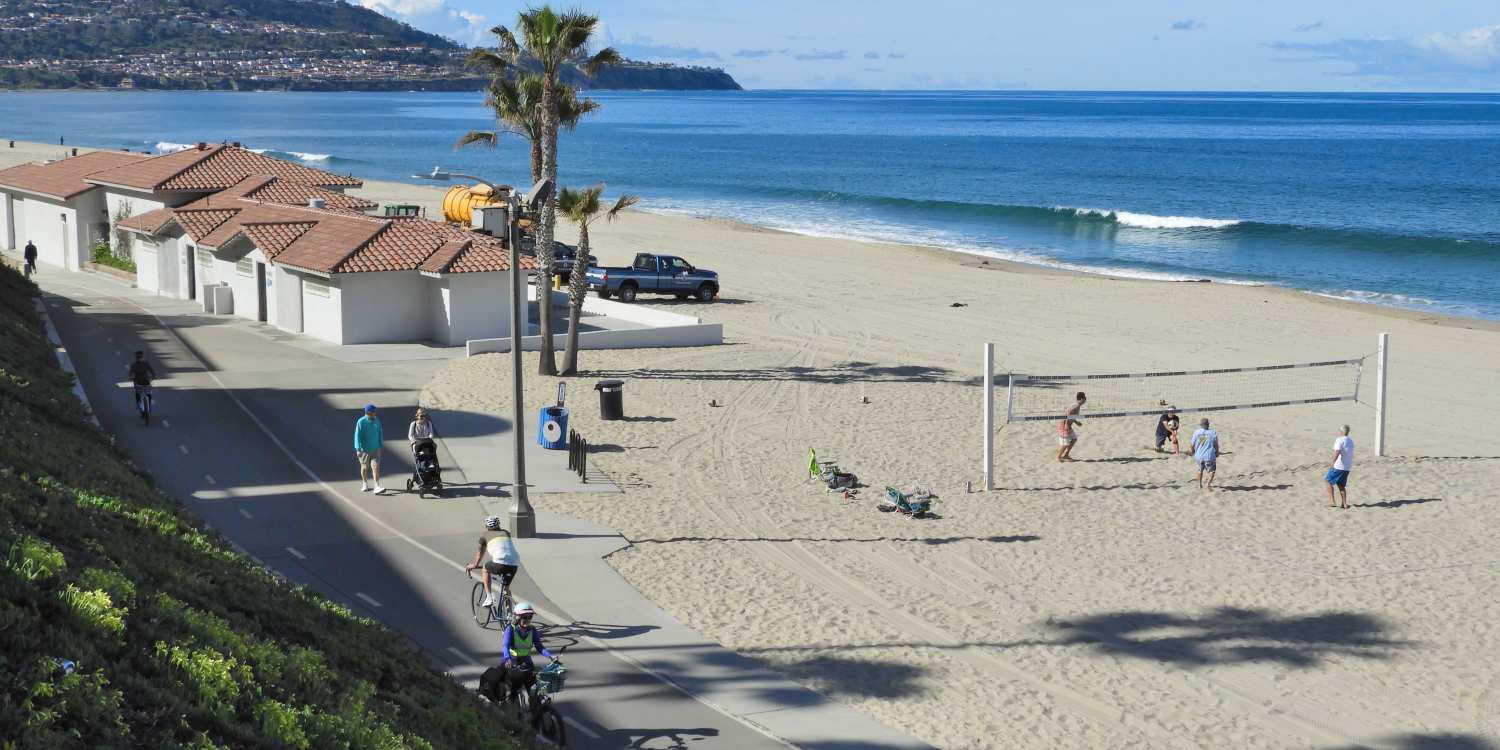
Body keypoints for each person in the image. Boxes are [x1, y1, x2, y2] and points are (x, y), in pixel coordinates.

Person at [499, 601, 555, 703]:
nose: (528, 620)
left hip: (526, 662)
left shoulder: (532, 630)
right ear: (517, 617)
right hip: (512, 662)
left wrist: (551, 656)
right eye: (525, 617)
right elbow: (505, 646)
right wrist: (507, 659)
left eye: (530, 617)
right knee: (513, 690)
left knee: (534, 690)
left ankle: (535, 710)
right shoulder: (510, 629)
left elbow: (539, 647)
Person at [465, 516, 520, 608]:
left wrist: (475, 565)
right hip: (514, 563)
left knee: (485, 568)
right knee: (506, 589)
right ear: (498, 524)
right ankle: (509, 615)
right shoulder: (506, 533)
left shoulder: (485, 536)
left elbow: (480, 552)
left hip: (500, 562)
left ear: (486, 526)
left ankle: (489, 597)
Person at [354, 404, 386, 494]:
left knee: (375, 467)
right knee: (364, 467)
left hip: (375, 448)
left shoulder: (377, 420)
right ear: (368, 413)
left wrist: (380, 444)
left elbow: (380, 432)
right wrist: (358, 448)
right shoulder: (361, 422)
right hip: (364, 450)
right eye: (373, 413)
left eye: (375, 412)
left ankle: (377, 486)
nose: (375, 414)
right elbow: (357, 435)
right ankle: (364, 483)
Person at [1325, 425, 1354, 509]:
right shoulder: (1351, 441)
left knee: (1328, 481)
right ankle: (1344, 504)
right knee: (1341, 485)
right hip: (1347, 467)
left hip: (1338, 466)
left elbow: (1337, 451)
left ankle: (1332, 501)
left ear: (1341, 432)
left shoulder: (1339, 439)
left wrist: (1332, 462)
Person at [1190, 418, 1221, 490]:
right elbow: (1216, 445)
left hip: (1199, 456)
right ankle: (1208, 484)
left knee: (1199, 471)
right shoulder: (1213, 432)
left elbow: (1191, 445)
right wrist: (1217, 452)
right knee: (1211, 471)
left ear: (1201, 425)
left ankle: (1199, 485)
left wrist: (1193, 452)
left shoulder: (1196, 432)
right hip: (1209, 456)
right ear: (1208, 424)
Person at [1056, 391, 1086, 462]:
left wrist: (1076, 422)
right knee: (1066, 444)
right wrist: (1066, 424)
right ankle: (1058, 457)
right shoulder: (1076, 405)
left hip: (1068, 426)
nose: (1085, 400)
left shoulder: (1076, 405)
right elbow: (1068, 413)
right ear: (1081, 399)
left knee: (1074, 439)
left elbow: (1071, 415)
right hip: (1064, 426)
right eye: (1085, 398)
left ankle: (1066, 455)